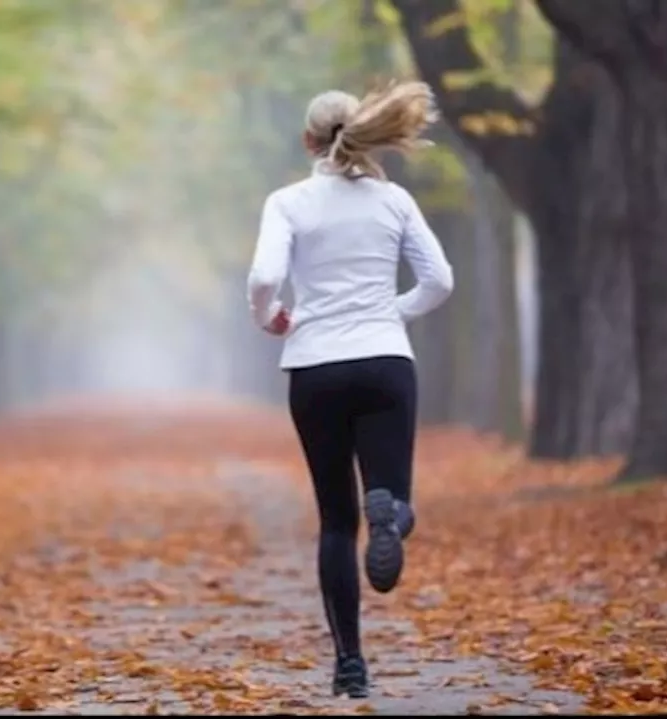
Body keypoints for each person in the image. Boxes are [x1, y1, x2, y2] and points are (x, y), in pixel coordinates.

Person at [244, 79, 454, 699]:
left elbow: (263, 277)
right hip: (385, 361)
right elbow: (439, 280)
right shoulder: (395, 203)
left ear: (309, 140)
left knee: (336, 521)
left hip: (315, 368)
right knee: (389, 495)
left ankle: (350, 667)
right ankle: (390, 511)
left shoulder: (288, 202)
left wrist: (270, 317)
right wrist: (393, 312)